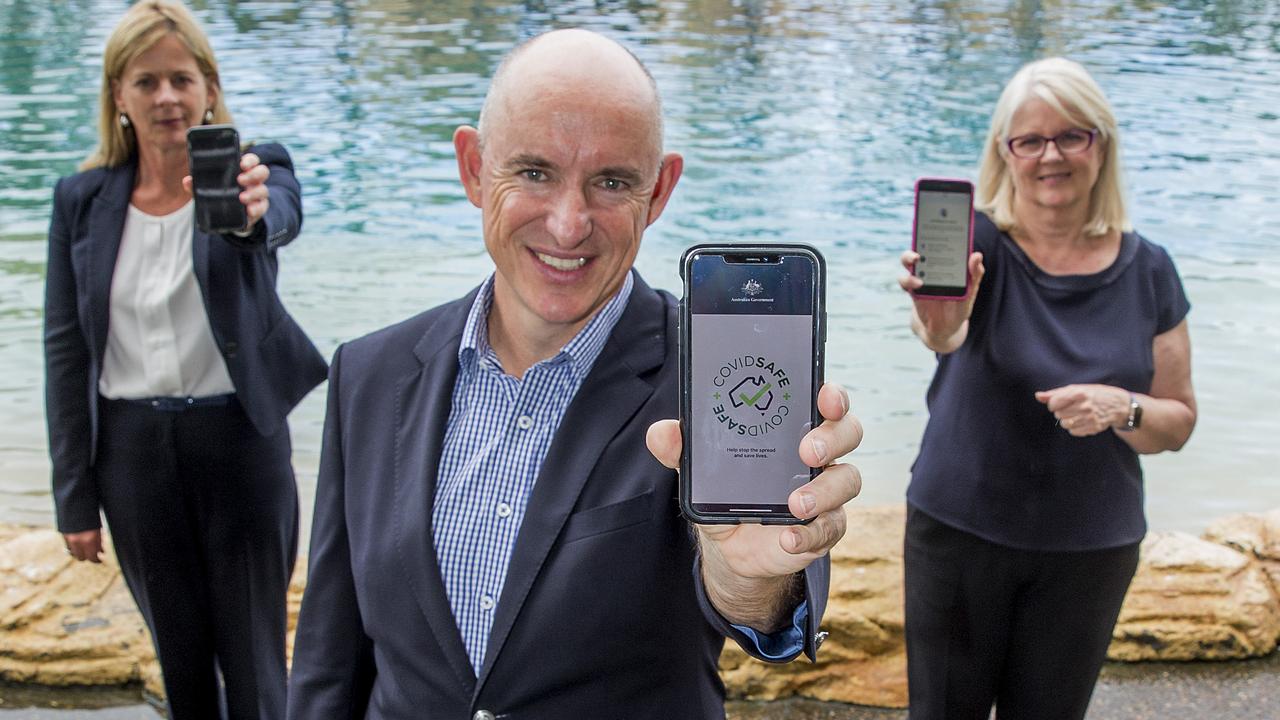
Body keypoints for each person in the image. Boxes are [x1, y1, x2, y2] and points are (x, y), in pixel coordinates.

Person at [286, 28, 863, 719]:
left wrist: (750, 578)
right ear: (473, 168)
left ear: (660, 191)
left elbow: (758, 602)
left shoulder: (716, 376)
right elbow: (329, 663)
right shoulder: (368, 375)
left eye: (612, 181)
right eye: (533, 172)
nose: (568, 225)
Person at [43, 2, 326, 717]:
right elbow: (66, 350)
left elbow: (278, 219)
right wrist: (73, 495)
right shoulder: (82, 200)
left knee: (258, 667)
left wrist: (253, 214)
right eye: (146, 82)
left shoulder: (258, 172)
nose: (166, 97)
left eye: (180, 78)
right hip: (132, 456)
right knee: (181, 665)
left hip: (238, 443)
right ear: (119, 96)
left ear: (208, 86)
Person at [897, 57, 1197, 720]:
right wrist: (939, 312)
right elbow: (943, 337)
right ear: (1005, 155)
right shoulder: (976, 240)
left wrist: (1123, 407)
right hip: (960, 531)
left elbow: (1176, 422)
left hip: (1089, 548)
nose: (1049, 156)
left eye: (1071, 136)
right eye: (1028, 141)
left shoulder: (1150, 270)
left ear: (1102, 144)